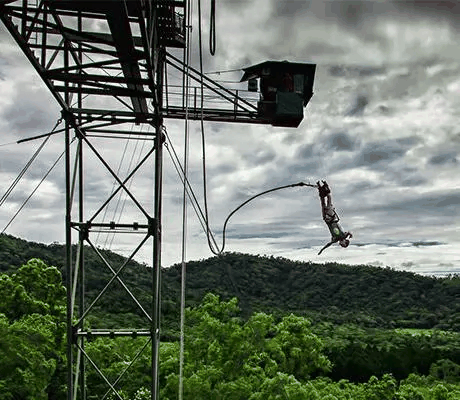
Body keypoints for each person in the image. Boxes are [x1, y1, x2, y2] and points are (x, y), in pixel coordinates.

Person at [317, 181, 352, 255]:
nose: (340, 244)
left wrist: (322, 250)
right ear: (345, 242)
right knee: (329, 201)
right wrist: (350, 236)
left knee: (323, 204)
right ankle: (326, 186)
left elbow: (329, 244)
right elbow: (349, 233)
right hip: (332, 218)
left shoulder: (335, 239)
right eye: (342, 244)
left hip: (327, 220)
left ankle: (320, 187)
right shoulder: (344, 235)